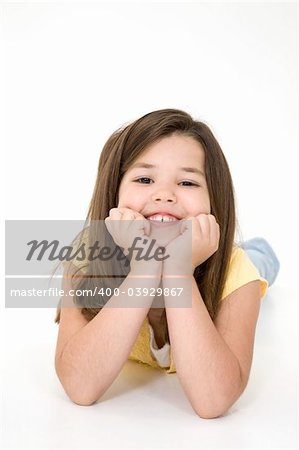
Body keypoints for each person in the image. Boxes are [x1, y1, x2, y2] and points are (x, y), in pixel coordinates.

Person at [54, 108, 279, 418]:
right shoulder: (87, 255)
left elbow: (212, 401)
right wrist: (144, 268)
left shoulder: (237, 272)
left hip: (218, 258)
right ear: (114, 192)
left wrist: (179, 271)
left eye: (187, 183)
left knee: (257, 260)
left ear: (214, 199)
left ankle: (260, 251)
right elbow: (80, 387)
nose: (164, 195)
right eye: (144, 178)